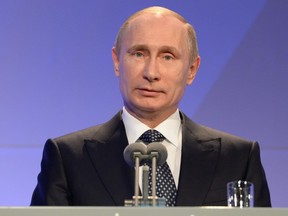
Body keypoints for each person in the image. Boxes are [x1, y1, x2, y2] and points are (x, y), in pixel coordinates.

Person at [31, 6, 271, 207]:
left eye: (168, 56)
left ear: (191, 70)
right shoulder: (68, 157)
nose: (151, 73)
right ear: (117, 61)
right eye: (138, 54)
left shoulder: (238, 159)